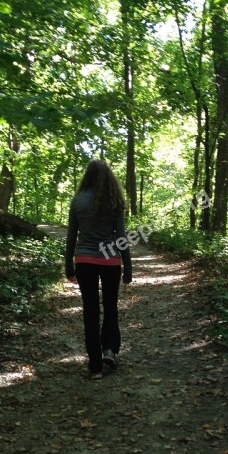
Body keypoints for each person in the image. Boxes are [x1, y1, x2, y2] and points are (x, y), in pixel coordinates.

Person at [65, 159, 133, 380]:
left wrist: (68, 265)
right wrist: (128, 266)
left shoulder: (77, 201)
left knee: (91, 311)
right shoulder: (114, 200)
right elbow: (121, 236)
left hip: (84, 260)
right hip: (111, 260)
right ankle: (110, 350)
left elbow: (71, 236)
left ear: (88, 175)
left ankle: (95, 367)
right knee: (110, 307)